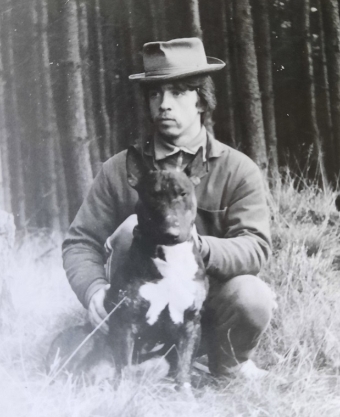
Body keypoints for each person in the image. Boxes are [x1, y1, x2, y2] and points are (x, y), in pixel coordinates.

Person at [62, 37, 276, 379]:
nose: (164, 105)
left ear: (202, 101)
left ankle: (227, 364)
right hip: (137, 312)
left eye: (178, 92)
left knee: (252, 295)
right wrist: (93, 291)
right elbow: (81, 241)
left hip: (203, 308)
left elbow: (256, 246)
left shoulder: (237, 169)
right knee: (128, 227)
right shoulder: (121, 170)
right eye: (155, 94)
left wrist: (197, 247)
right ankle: (133, 366)